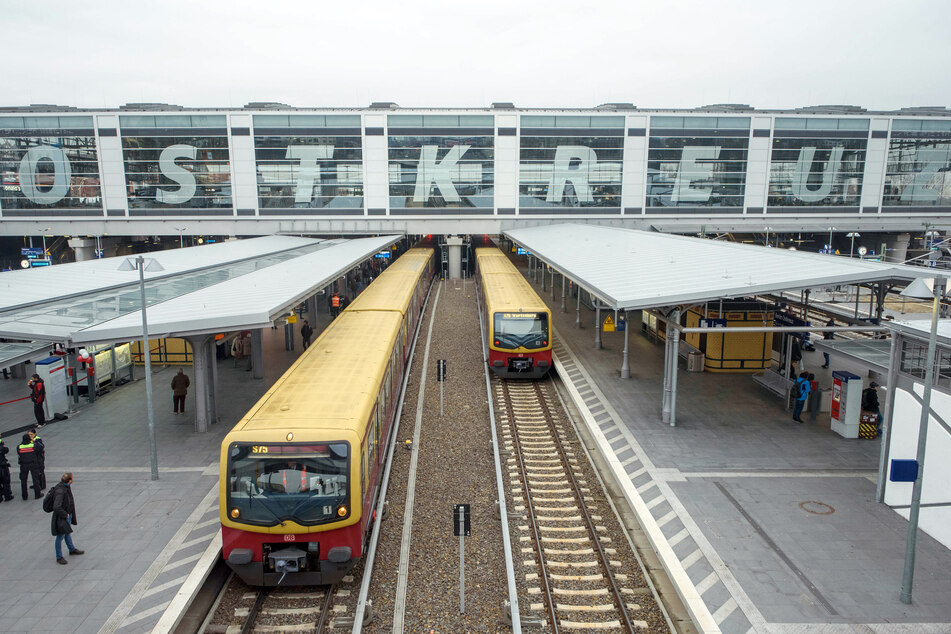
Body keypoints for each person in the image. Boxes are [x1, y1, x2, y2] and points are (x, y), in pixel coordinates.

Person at [50, 472, 83, 564]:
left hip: (67, 514)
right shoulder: (61, 491)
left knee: (67, 532)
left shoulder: (65, 487)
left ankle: (71, 549)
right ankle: (59, 556)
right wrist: (66, 515)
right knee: (60, 536)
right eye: (72, 478)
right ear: (69, 481)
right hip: (63, 517)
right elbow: (56, 506)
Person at [17, 433, 42, 500]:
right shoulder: (33, 445)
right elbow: (41, 447)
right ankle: (37, 494)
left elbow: (18, 453)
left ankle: (24, 496)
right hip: (33, 464)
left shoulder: (19, 447)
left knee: (23, 481)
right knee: (35, 480)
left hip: (23, 465)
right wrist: (33, 440)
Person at [0, 436, 13, 502]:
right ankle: (7, 496)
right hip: (2, 467)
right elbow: (6, 450)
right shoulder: (2, 447)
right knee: (6, 481)